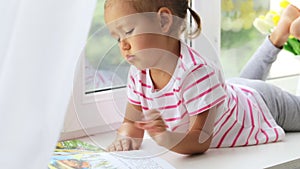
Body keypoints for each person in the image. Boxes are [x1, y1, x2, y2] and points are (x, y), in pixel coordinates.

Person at [104, 0, 300, 155]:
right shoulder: (138, 74)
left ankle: (281, 34)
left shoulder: (197, 73)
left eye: (128, 31)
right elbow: (130, 123)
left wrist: (165, 137)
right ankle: (278, 34)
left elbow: (200, 140)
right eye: (118, 37)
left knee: (252, 88)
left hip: (262, 105)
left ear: (163, 21)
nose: (123, 45)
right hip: (230, 95)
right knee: (242, 83)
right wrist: (125, 138)